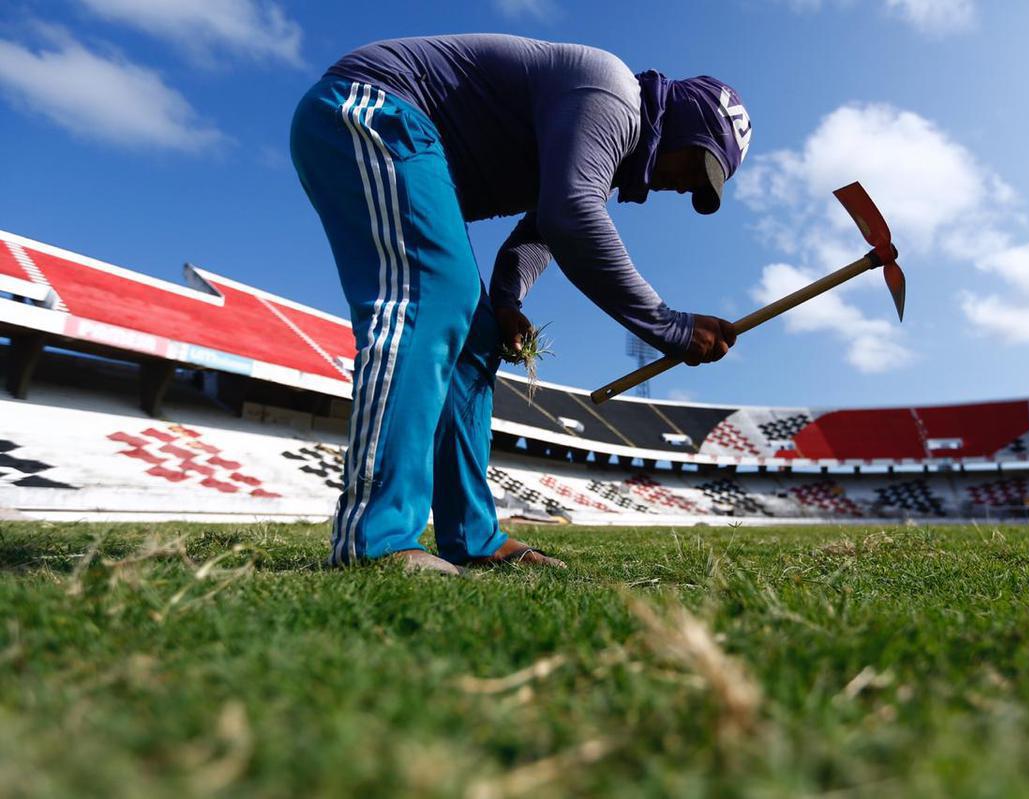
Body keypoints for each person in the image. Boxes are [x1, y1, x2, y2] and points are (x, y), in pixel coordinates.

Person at [290, 34, 750, 574]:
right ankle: (376, 536)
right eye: (697, 167)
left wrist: (507, 301)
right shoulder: (614, 94)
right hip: (373, 109)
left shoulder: (600, 142)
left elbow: (538, 234)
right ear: (682, 123)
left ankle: (474, 538)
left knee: (477, 336)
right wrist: (668, 327)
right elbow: (570, 215)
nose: (684, 186)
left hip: (411, 140)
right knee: (433, 298)